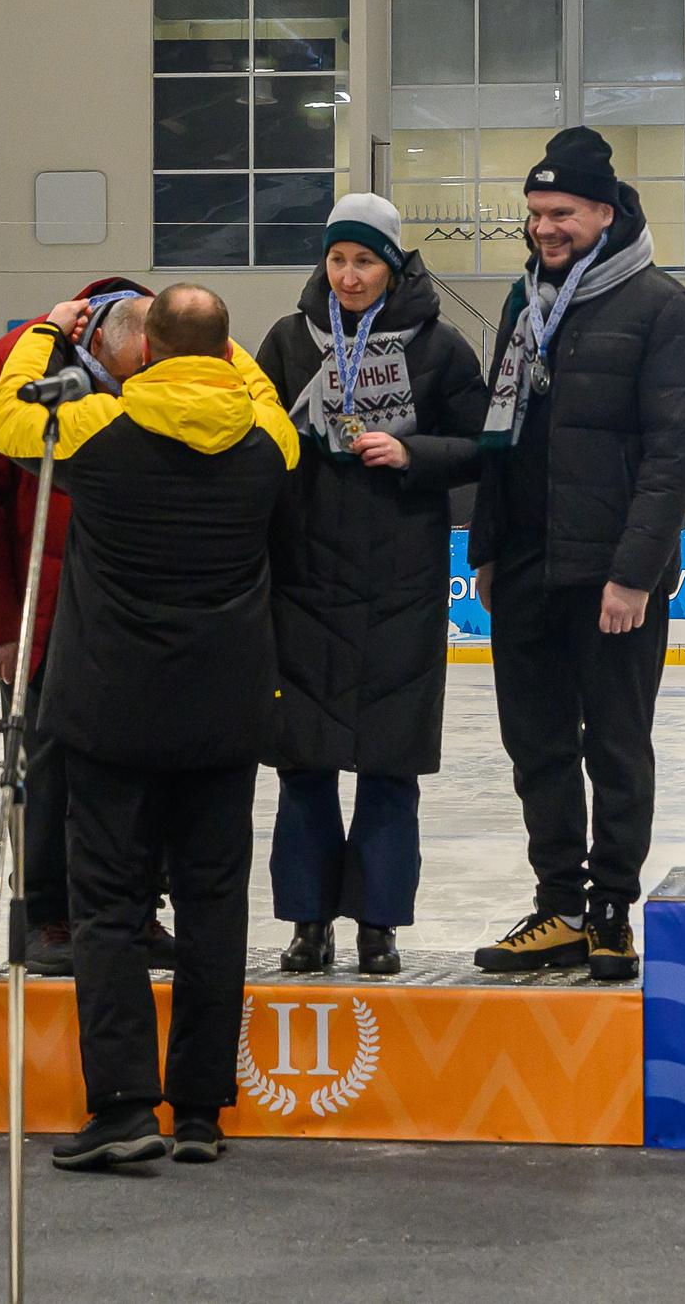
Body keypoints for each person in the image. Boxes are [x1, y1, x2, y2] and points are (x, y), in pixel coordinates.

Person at [0, 285, 296, 1171]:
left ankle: (123, 1105)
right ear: (225, 349)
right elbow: (261, 392)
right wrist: (223, 355)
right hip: (225, 716)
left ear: (148, 351)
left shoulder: (95, 430)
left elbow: (13, 420)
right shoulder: (265, 441)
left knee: (109, 912)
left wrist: (45, 327)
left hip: (112, 713)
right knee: (213, 907)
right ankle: (201, 1108)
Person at [468, 127, 685, 982]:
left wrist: (635, 571)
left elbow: (672, 456)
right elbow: (500, 431)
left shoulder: (662, 308)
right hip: (526, 566)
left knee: (614, 743)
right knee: (535, 743)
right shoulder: (522, 304)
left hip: (611, 574)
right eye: (535, 213)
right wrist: (487, 547)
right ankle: (559, 906)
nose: (544, 228)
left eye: (561, 212)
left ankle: (610, 909)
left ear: (605, 212)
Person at [257, 197, 487, 978]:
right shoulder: (289, 341)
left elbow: (486, 446)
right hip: (305, 581)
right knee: (304, 766)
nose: (349, 277)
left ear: (393, 263)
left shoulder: (441, 347)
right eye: (336, 260)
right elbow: (252, 442)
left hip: (401, 587)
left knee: (390, 767)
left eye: (364, 261)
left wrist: (414, 451)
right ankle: (308, 922)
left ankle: (378, 924)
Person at [0, 279, 159, 978]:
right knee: (50, 767)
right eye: (136, 369)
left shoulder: (178, 357)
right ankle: (49, 916)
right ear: (99, 340)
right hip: (47, 610)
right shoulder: (15, 365)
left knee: (140, 765)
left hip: (140, 613)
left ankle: (131, 908)